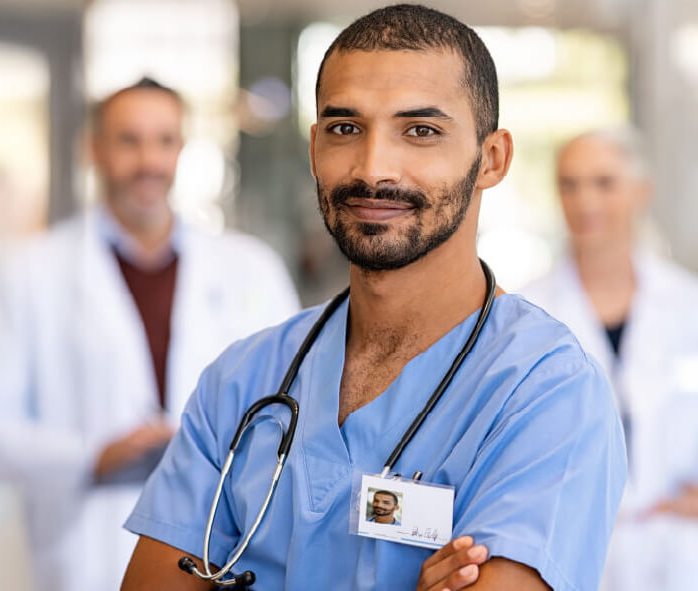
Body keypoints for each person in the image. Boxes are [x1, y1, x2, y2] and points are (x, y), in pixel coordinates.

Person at [122, 6, 627, 591]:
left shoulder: (547, 392)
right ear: (314, 148)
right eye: (344, 128)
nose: (373, 167)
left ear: (492, 159)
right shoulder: (243, 380)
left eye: (421, 131)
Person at [0, 78, 300, 591]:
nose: (148, 162)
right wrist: (91, 455)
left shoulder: (251, 268)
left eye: (164, 141)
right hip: (85, 553)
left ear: (181, 149)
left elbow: (294, 413)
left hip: (225, 546)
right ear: (94, 148)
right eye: (128, 140)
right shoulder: (33, 274)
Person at [521, 127, 698, 591]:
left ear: (641, 192)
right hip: (569, 550)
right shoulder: (528, 315)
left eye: (603, 183)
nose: (585, 201)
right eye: (570, 183)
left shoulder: (697, 307)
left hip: (675, 550)